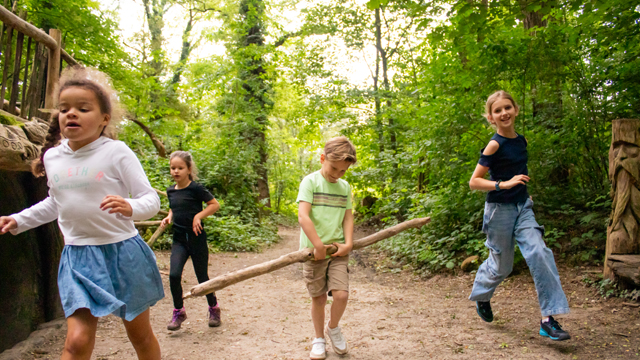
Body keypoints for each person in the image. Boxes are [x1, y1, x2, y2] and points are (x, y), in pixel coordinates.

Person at [0, 66, 164, 359]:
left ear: (104, 119)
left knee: (139, 335)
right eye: (64, 109)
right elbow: (56, 202)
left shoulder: (117, 152)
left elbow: (150, 199)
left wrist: (130, 207)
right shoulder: (53, 157)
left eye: (82, 108)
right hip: (78, 259)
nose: (71, 114)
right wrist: (18, 219)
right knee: (76, 341)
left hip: (124, 255)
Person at [468, 90, 571, 341]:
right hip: (498, 212)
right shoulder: (495, 144)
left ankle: (548, 319)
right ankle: (482, 295)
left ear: (515, 109)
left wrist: (525, 193)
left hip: (522, 208)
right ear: (491, 117)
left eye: (507, 108)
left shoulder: (521, 141)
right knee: (502, 267)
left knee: (539, 252)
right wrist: (504, 184)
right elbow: (474, 182)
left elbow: (520, 172)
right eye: (497, 110)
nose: (504, 113)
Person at [297, 136, 357, 359]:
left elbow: (348, 218)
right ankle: (318, 338)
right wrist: (317, 245)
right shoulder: (310, 182)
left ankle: (333, 328)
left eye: (343, 171)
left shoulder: (344, 187)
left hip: (337, 251)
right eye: (334, 168)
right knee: (319, 298)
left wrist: (348, 244)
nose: (337, 174)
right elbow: (303, 217)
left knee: (341, 295)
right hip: (313, 253)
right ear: (322, 158)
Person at [160, 151, 221, 330]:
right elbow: (174, 207)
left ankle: (214, 308)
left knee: (202, 277)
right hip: (179, 240)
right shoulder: (171, 190)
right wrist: (169, 216)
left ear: (188, 169)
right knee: (173, 275)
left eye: (180, 168)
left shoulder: (196, 189)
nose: (176, 171)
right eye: (173, 168)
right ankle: (179, 311)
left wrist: (198, 216)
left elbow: (214, 204)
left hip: (196, 238)